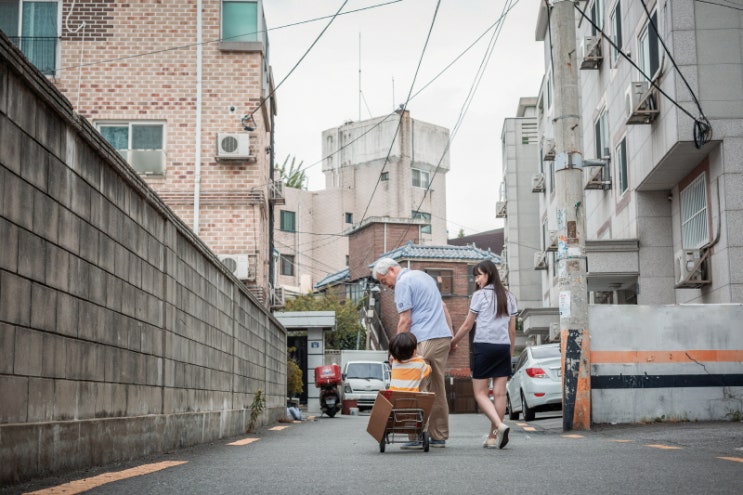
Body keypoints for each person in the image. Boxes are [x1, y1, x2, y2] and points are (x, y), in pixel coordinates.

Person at [372, 257, 452, 449]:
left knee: (412, 387)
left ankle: (415, 435)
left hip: (422, 340)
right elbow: (443, 307)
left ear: (392, 270)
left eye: (384, 281)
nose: (386, 286)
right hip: (441, 338)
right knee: (437, 388)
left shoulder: (403, 283)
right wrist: (451, 335)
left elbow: (405, 320)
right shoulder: (423, 277)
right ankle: (439, 436)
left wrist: (396, 351)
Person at [450, 259, 517, 449]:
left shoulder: (479, 296)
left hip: (484, 347)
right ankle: (493, 437)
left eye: (479, 275)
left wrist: (453, 342)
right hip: (503, 347)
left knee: (480, 393)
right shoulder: (510, 297)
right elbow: (512, 331)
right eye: (475, 276)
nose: (477, 279)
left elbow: (467, 325)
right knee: (499, 393)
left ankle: (499, 425)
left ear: (489, 274)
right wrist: (510, 352)